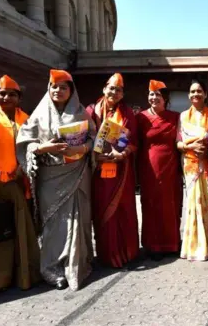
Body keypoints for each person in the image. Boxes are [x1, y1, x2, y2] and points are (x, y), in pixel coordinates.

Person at [16, 69, 95, 291]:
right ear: (48, 89)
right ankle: (52, 269)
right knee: (54, 224)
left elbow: (93, 138)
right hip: (50, 177)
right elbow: (24, 143)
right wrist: (43, 147)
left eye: (63, 87)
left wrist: (82, 147)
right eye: (54, 87)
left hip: (77, 173)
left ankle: (78, 264)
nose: (58, 91)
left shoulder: (82, 114)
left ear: (71, 91)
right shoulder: (38, 116)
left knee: (79, 220)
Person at [0, 75, 40, 291]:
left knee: (23, 228)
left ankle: (26, 276)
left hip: (21, 182)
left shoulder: (28, 119)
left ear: (19, 98)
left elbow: (34, 148)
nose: (7, 97)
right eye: (2, 93)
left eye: (12, 94)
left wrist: (22, 167)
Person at [86, 73, 139, 268]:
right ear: (104, 89)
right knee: (101, 209)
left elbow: (133, 142)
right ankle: (106, 255)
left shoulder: (128, 114)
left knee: (123, 210)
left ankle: (126, 252)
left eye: (118, 90)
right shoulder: (91, 111)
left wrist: (123, 154)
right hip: (98, 170)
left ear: (123, 94)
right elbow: (84, 137)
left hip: (121, 171)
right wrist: (94, 155)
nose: (114, 92)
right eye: (111, 88)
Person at [136, 80, 183, 260]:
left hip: (171, 168)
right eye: (151, 94)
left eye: (158, 95)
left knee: (171, 204)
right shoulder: (140, 118)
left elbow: (181, 139)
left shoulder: (175, 117)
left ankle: (171, 243)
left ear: (165, 98)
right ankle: (153, 245)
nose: (154, 97)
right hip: (149, 168)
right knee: (151, 205)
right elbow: (131, 141)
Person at [177, 79, 208, 261]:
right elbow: (178, 143)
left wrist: (206, 150)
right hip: (191, 165)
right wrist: (190, 147)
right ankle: (196, 247)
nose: (196, 94)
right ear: (188, 95)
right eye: (192, 91)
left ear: (205, 94)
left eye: (199, 91)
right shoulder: (183, 117)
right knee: (194, 203)